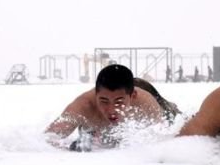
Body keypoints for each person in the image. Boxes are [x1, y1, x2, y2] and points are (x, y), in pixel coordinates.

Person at [46, 64, 181, 151]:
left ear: (132, 96)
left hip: (147, 92)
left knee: (173, 115)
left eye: (118, 102)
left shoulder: (146, 103)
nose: (111, 110)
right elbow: (47, 139)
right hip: (122, 94)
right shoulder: (83, 106)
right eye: (104, 101)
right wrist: (67, 147)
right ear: (95, 94)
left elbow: (163, 141)